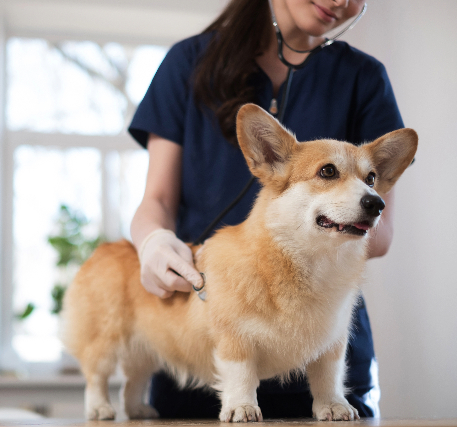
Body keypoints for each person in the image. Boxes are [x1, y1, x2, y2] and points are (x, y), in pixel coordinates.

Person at [129, 0, 403, 419]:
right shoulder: (189, 61)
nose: (340, 2)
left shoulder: (364, 78)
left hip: (322, 353)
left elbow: (378, 230)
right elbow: (158, 201)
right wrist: (152, 241)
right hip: (207, 343)